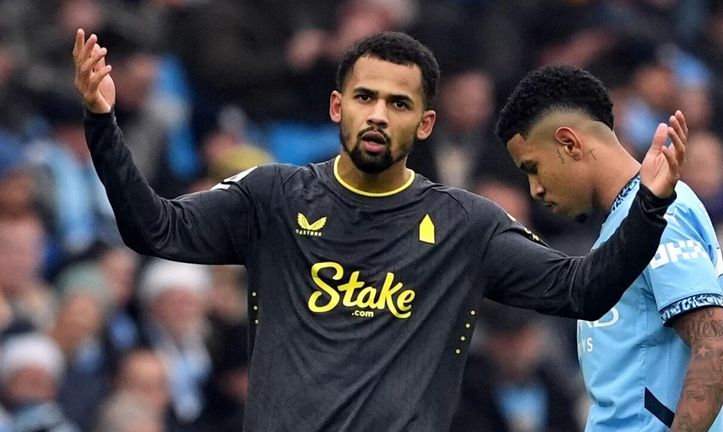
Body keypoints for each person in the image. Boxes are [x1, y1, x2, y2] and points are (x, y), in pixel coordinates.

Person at [73, 29, 684, 431]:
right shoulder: (273, 197)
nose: (377, 115)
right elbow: (153, 228)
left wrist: (650, 203)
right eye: (365, 97)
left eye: (398, 104)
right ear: (338, 106)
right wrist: (102, 120)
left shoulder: (465, 226)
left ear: (425, 123)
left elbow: (584, 290)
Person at [496, 64, 723, 431]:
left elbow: (716, 353)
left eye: (533, 167)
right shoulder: (625, 222)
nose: (535, 190)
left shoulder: (664, 214)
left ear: (569, 143)